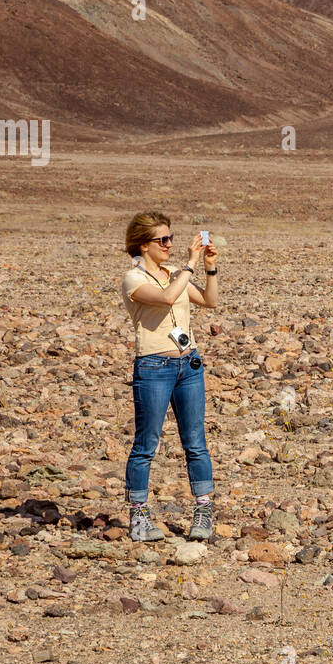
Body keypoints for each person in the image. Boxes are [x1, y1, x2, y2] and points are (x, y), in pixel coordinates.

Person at [119, 212, 220, 542]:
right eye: (163, 240)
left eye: (171, 238)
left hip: (188, 365)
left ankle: (203, 513)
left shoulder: (176, 274)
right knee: (146, 443)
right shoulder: (134, 279)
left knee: (196, 442)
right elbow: (163, 299)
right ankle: (138, 517)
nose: (170, 245)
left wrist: (208, 268)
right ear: (144, 245)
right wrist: (189, 264)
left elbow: (209, 301)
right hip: (154, 368)